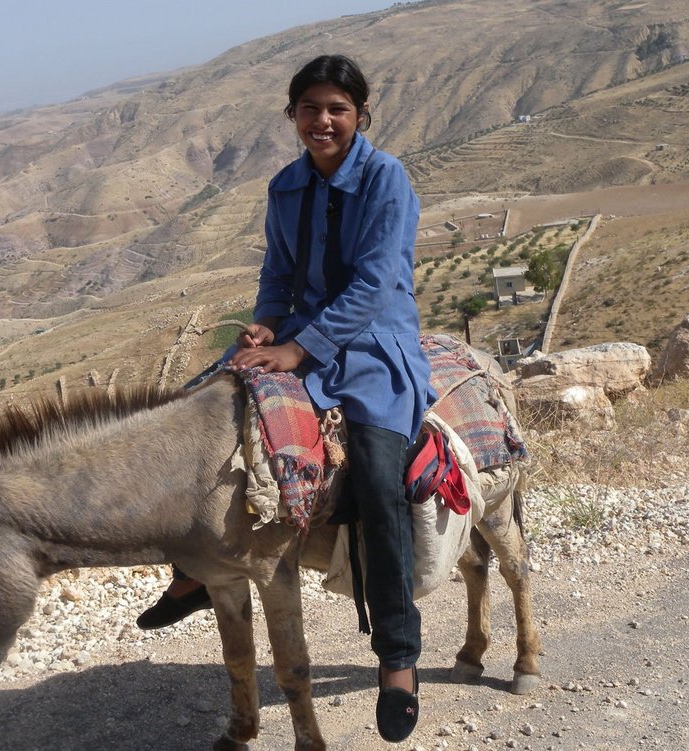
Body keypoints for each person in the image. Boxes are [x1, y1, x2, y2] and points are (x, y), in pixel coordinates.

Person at [137, 54, 434, 743]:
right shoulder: (285, 187)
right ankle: (193, 568)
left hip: (375, 343)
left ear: (360, 115)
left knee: (378, 469)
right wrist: (269, 325)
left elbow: (374, 285)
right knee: (202, 409)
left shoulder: (386, 179)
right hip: (299, 336)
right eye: (309, 108)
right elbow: (277, 275)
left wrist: (300, 350)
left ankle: (397, 655)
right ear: (292, 116)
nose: (322, 121)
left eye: (336, 108)